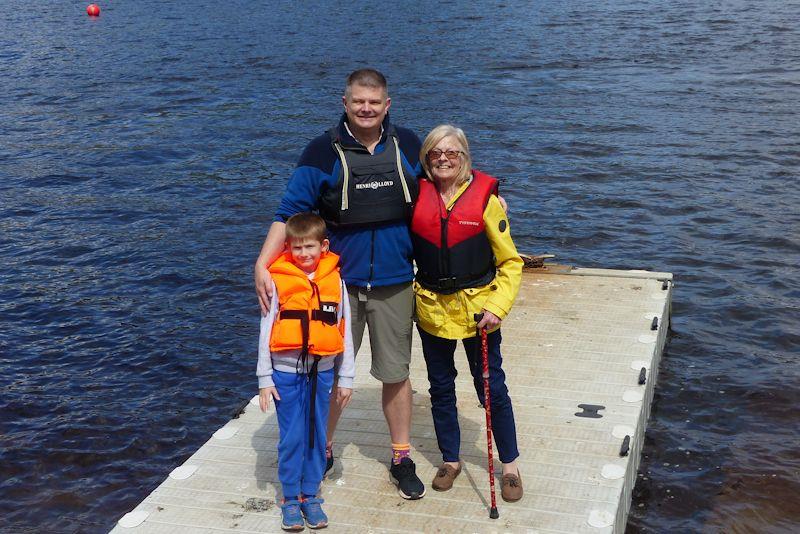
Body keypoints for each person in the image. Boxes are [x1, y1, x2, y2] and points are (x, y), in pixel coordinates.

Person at [254, 69, 426, 500]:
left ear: (388, 105)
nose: (366, 109)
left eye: (374, 102)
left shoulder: (407, 144)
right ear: (344, 103)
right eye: (358, 102)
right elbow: (288, 212)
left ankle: (401, 456)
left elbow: (447, 184)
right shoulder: (320, 151)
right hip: (336, 285)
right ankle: (322, 449)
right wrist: (262, 262)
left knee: (396, 373)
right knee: (325, 371)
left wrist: (489, 197)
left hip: (395, 280)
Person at [410, 124, 524, 502]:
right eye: (436, 154)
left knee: (492, 388)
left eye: (452, 153)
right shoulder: (414, 196)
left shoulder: (487, 201)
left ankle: (510, 465)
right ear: (427, 159)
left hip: (480, 314)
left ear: (464, 157)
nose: (444, 159)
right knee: (441, 389)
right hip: (432, 312)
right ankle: (451, 460)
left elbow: (510, 263)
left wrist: (497, 307)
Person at [257, 213, 355, 531]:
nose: (304, 254)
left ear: (323, 246)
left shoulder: (335, 282)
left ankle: (310, 495)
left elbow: (345, 330)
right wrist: (264, 379)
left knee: (316, 435)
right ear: (287, 247)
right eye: (297, 248)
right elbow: (265, 330)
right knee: (292, 437)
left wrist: (347, 377)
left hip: (322, 372)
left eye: (309, 247)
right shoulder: (276, 280)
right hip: (285, 374)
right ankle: (289, 497)